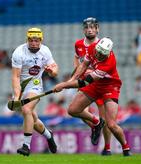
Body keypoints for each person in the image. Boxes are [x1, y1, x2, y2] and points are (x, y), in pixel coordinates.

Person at [53, 37, 131, 156]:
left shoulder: (109, 62)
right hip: (96, 85)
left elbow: (85, 82)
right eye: (98, 52)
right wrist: (72, 79)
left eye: (102, 54)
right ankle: (96, 123)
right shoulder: (92, 48)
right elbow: (84, 65)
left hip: (110, 87)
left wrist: (64, 85)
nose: (99, 55)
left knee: (111, 125)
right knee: (72, 110)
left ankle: (126, 148)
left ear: (108, 52)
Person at [11, 27, 58, 156]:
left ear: (40, 40)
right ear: (27, 40)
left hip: (35, 86)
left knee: (26, 110)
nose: (34, 43)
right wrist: (16, 96)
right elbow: (15, 76)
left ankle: (26, 146)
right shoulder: (19, 52)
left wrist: (52, 71)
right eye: (31, 40)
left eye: (37, 40)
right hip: (20, 87)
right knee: (33, 118)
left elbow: (55, 69)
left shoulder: (45, 51)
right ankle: (49, 136)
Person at [73, 17, 112, 155]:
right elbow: (77, 60)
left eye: (92, 27)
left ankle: (107, 148)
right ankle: (95, 126)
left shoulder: (104, 44)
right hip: (85, 83)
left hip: (100, 83)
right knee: (80, 112)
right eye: (87, 27)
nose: (90, 30)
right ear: (84, 29)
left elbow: (107, 66)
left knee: (105, 119)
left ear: (97, 29)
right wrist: (75, 75)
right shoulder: (78, 44)